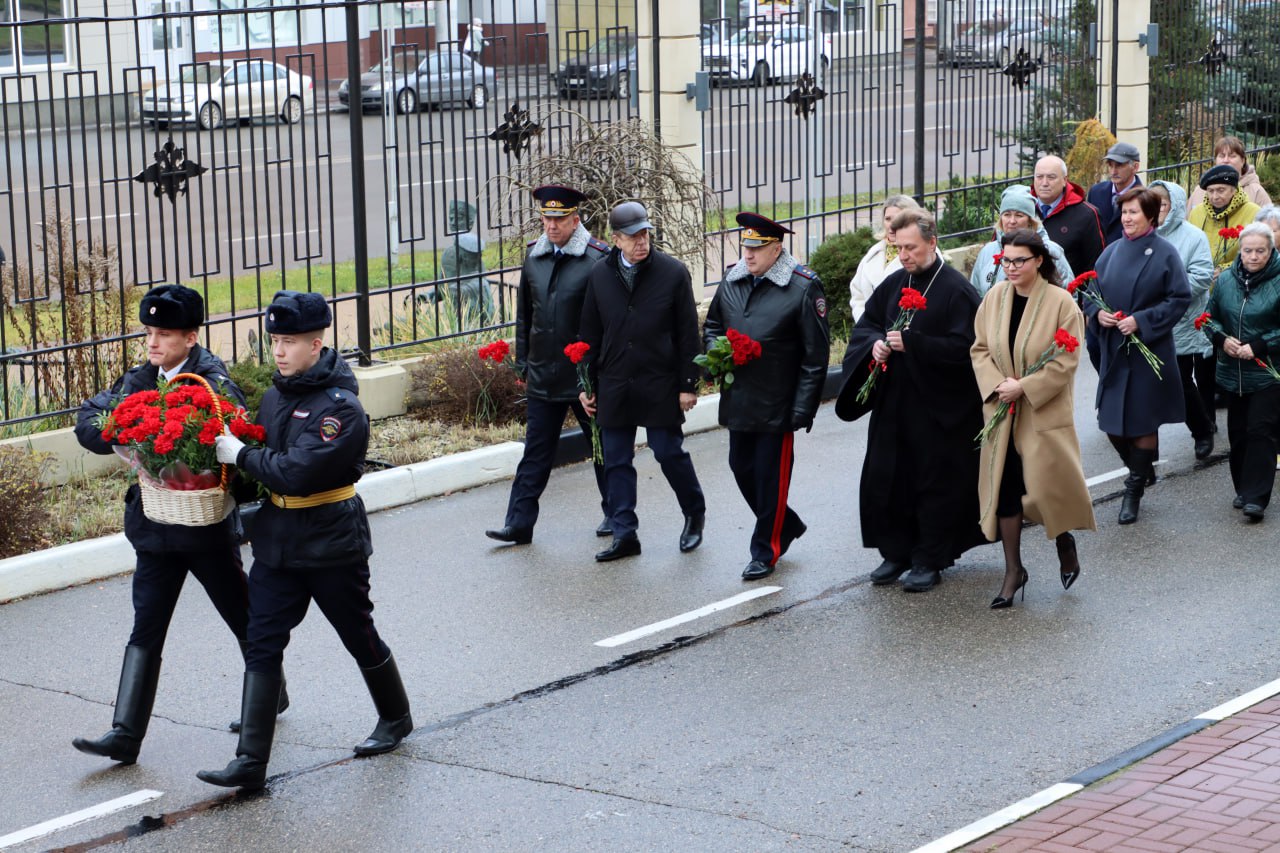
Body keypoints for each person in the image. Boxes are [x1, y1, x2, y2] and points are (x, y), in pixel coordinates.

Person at [198, 291, 411, 789]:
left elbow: (295, 473)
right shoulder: (275, 396)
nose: (278, 350)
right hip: (278, 539)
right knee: (262, 639)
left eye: (289, 341)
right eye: (274, 340)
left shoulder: (341, 409)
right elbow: (267, 473)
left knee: (356, 632)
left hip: (331, 539)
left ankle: (396, 716)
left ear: (316, 344)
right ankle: (250, 762)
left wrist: (241, 456)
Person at [71, 285, 286, 765]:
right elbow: (90, 416)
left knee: (243, 616)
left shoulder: (210, 379)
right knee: (145, 626)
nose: (152, 342)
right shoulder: (141, 377)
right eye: (149, 332)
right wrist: (117, 433)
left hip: (204, 531)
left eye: (164, 333)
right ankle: (125, 733)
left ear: (190, 336)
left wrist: (158, 434)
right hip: (154, 527)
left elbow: (223, 429)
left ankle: (272, 693)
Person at [836, 210, 985, 592]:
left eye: (911, 248)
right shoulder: (893, 284)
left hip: (938, 409)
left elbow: (970, 348)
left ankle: (928, 558)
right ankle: (896, 551)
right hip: (894, 404)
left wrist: (914, 344)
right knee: (889, 477)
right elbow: (867, 325)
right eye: (898, 247)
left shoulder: (956, 290)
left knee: (932, 483)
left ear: (932, 243)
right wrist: (876, 346)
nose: (904, 256)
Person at [971, 229, 1095, 609]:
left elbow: (1065, 360)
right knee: (1005, 489)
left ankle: (1064, 541)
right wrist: (998, 386)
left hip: (1041, 410)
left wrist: (1025, 386)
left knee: (1045, 489)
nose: (1011, 267)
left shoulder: (1061, 303)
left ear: (1039, 260)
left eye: (1019, 260)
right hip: (1003, 410)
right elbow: (979, 349)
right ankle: (1013, 571)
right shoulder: (994, 298)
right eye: (1005, 260)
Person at [704, 212, 829, 581]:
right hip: (739, 398)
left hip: (778, 403)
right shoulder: (733, 278)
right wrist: (717, 351)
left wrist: (802, 409)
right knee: (741, 469)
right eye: (746, 246)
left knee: (770, 478)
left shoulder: (803, 287)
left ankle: (766, 550)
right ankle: (785, 522)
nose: (749, 254)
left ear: (777, 249)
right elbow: (713, 324)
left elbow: (815, 356)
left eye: (758, 248)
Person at [578, 202, 706, 562]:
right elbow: (588, 335)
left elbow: (687, 335)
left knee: (668, 452)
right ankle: (624, 533)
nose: (641, 242)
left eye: (645, 234)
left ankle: (694, 512)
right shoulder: (599, 275)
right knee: (616, 460)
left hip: (659, 381)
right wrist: (585, 384)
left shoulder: (672, 273)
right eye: (633, 236)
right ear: (615, 240)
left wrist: (688, 384)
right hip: (615, 383)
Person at [485, 185, 612, 546]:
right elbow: (526, 317)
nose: (552, 226)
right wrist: (523, 364)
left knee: (602, 447)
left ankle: (616, 514)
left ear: (576, 219)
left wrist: (598, 372)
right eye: (547, 218)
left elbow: (607, 322)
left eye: (559, 219)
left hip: (585, 377)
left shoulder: (596, 258)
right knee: (535, 452)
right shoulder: (534, 257)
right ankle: (518, 524)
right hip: (543, 373)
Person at [1087, 188, 1191, 525]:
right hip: (1116, 350)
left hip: (1149, 349)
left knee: (1143, 420)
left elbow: (1178, 298)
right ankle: (1140, 468)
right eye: (1125, 212)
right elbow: (1092, 291)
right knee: (1112, 424)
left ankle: (1133, 490)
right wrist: (1096, 314)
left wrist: (1142, 321)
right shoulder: (1112, 251)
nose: (1128, 218)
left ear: (1150, 216)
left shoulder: (1164, 253)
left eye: (1134, 212)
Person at [1204, 223, 1280, 520]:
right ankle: (1243, 488)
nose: (1253, 256)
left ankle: (1257, 498)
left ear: (1271, 250)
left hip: (1267, 371)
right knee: (1237, 433)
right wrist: (1222, 340)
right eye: (1247, 250)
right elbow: (1209, 319)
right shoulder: (1225, 281)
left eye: (1260, 251)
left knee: (1261, 431)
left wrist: (1259, 345)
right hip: (1231, 370)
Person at [1150, 180, 1217, 459]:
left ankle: (1202, 429)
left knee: (1180, 379)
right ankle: (1144, 451)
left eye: (1163, 204)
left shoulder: (1193, 237)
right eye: (1153, 204)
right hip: (1150, 320)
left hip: (1184, 318)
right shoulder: (1143, 235)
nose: (1157, 210)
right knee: (1153, 381)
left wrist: (1167, 292)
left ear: (1175, 206)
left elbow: (1202, 276)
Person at [969, 185, 1074, 297]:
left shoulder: (1050, 251)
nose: (1012, 221)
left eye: (1019, 215)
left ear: (1030, 221)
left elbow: (1069, 295)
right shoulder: (987, 252)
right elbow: (975, 295)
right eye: (1007, 215)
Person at [1031, 154, 1106, 277]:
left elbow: (1097, 265)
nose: (1044, 183)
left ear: (1065, 181)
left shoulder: (1087, 215)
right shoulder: (1021, 211)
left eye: (1051, 177)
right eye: (1039, 177)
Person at [848, 195, 921, 322]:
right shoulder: (873, 253)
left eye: (898, 218)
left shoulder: (925, 252)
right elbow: (857, 293)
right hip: (871, 335)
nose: (891, 225)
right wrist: (865, 324)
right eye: (888, 219)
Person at [1188, 136, 1273, 210]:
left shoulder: (1256, 192)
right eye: (1222, 156)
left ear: (1242, 161)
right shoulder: (1200, 191)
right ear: (1215, 160)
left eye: (1232, 156)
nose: (1226, 160)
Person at [1087, 142, 1143, 245]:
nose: (1113, 172)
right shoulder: (1096, 192)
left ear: (1135, 167)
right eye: (1110, 165)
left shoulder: (1145, 198)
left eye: (1119, 166)